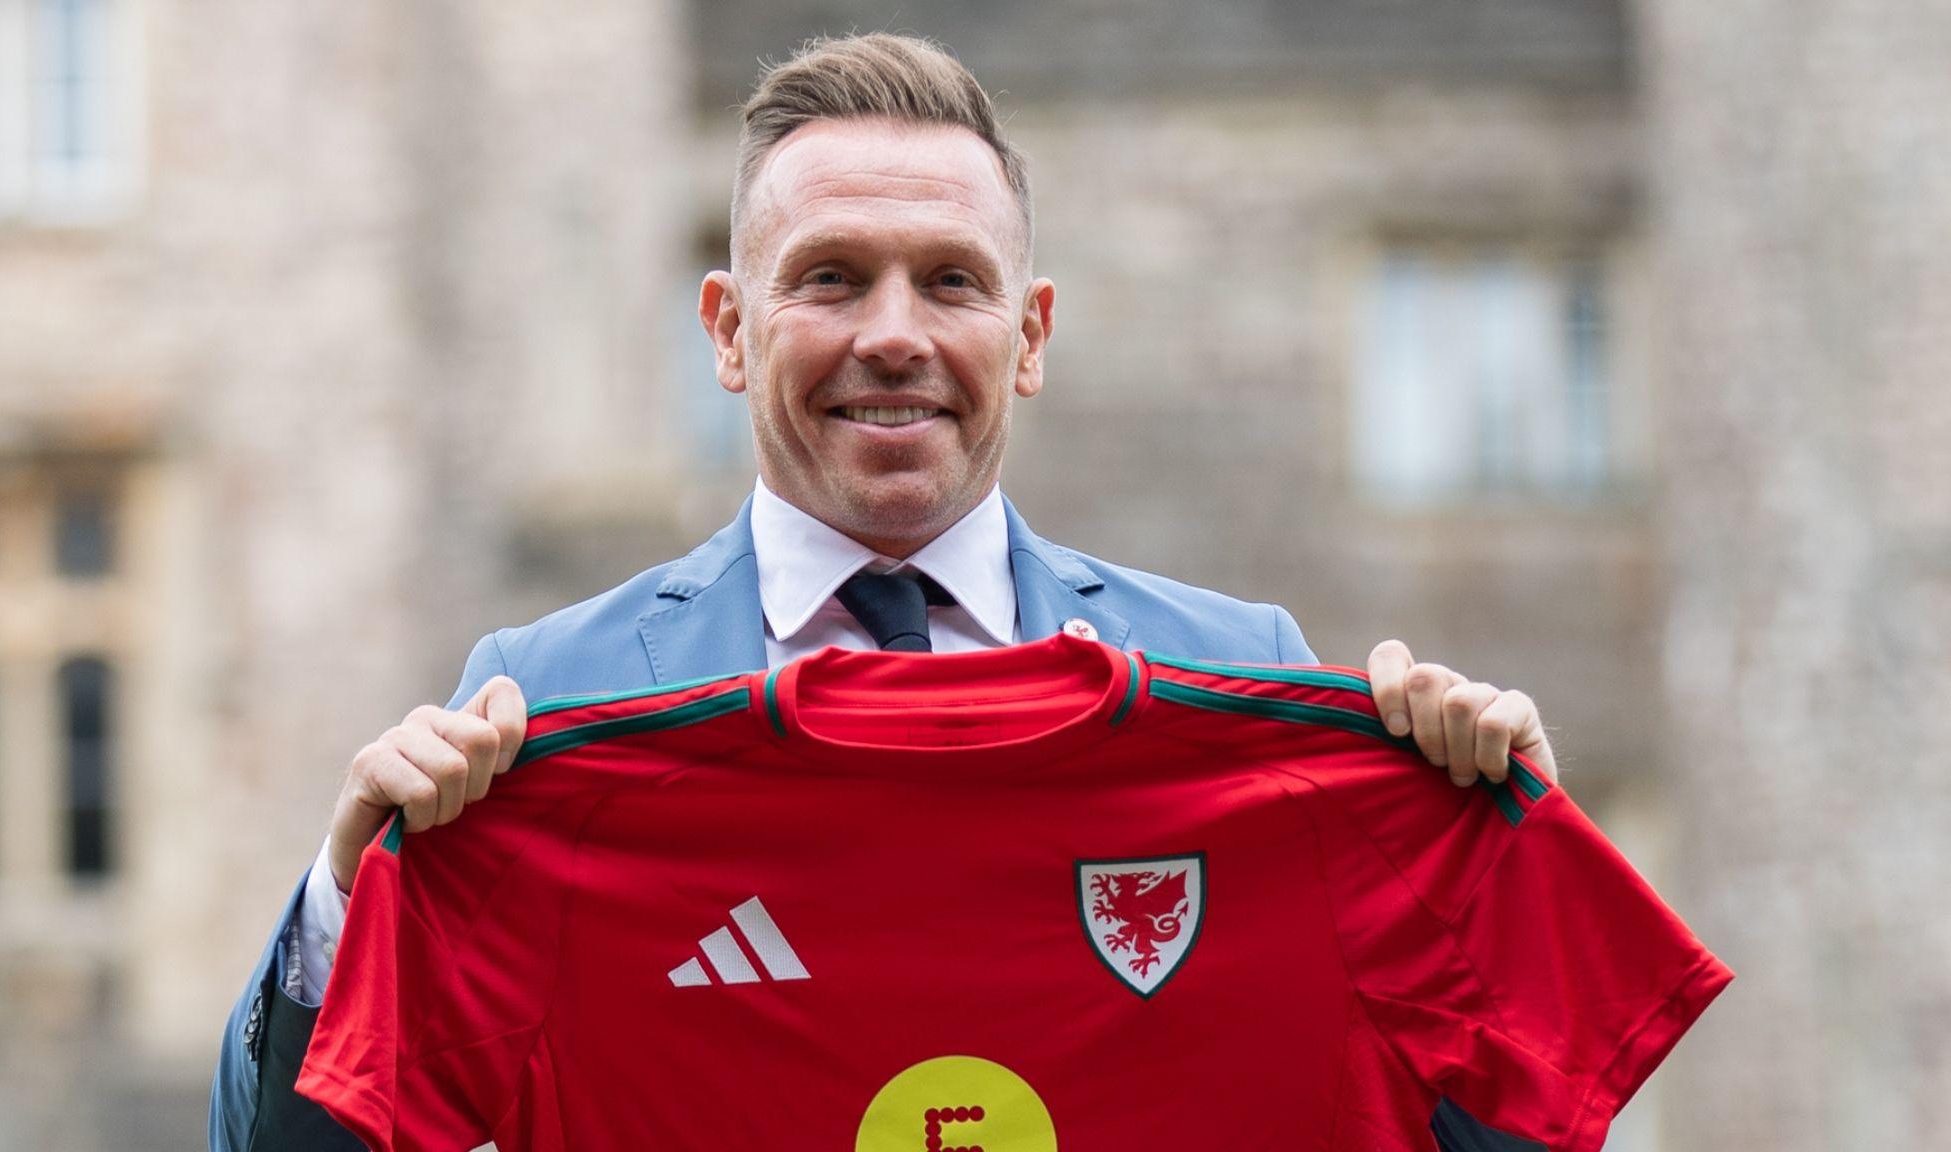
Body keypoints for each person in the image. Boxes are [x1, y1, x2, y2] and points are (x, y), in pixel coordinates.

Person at [209, 33, 1559, 1152]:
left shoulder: (1244, 684)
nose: (896, 334)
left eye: (952, 282)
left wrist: (1508, 865)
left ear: (1027, 337)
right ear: (731, 334)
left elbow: (1479, 1131)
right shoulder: (549, 707)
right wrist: (346, 899)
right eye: (832, 279)